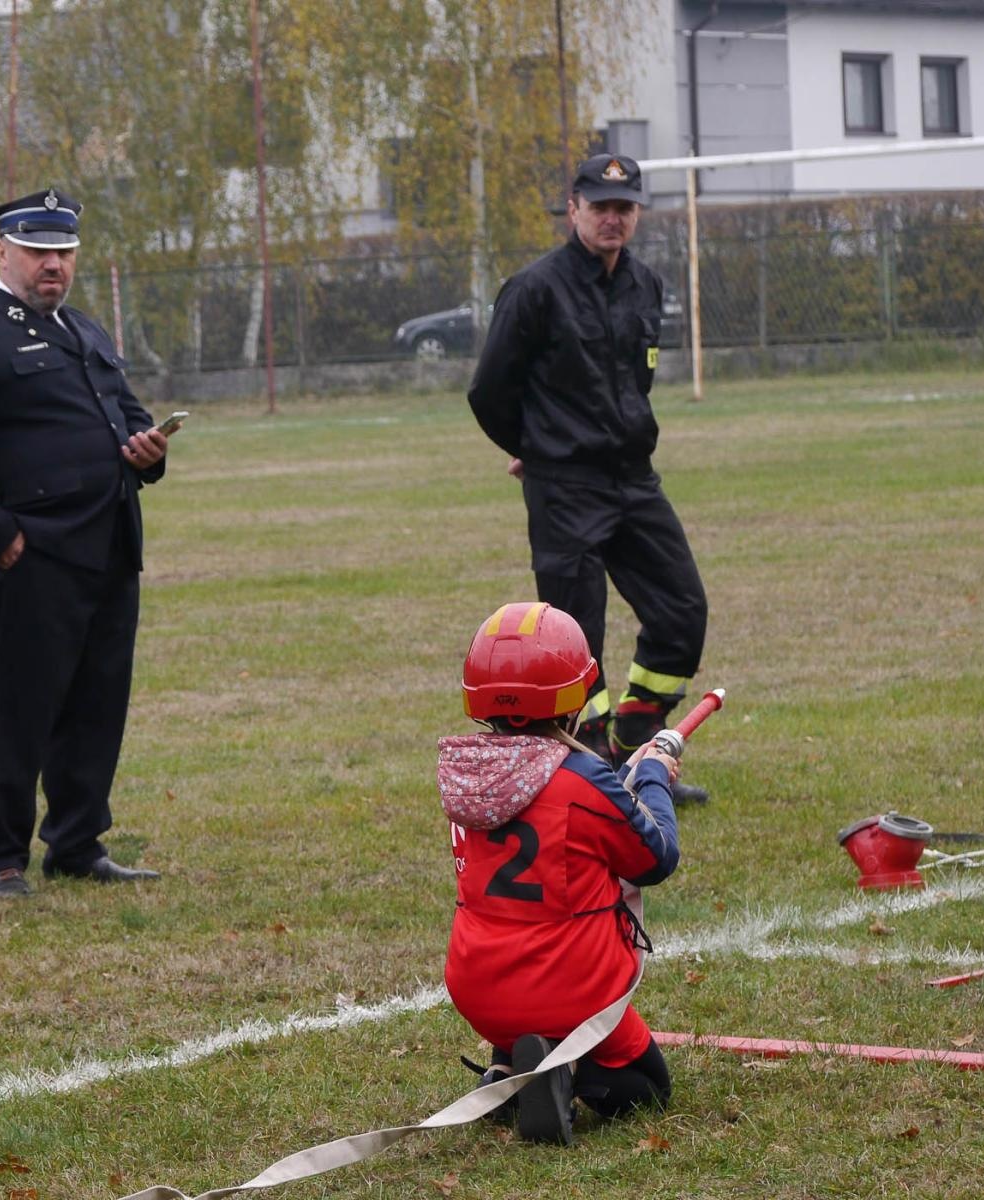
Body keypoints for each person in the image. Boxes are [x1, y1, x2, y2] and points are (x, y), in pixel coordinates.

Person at [0, 187, 169, 898]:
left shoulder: (88, 332)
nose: (53, 265)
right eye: (38, 251)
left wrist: (149, 449)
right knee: (25, 709)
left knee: (98, 704)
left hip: (109, 545)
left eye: (63, 253)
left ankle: (77, 840)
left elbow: (129, 418)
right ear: (2, 252)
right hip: (36, 552)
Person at [467, 153, 710, 806]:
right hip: (564, 484)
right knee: (577, 636)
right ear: (573, 208)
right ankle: (594, 772)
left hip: (633, 478)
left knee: (682, 611)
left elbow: (639, 378)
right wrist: (531, 447)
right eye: (599, 205)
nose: (612, 218)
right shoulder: (534, 288)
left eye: (623, 207)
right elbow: (489, 390)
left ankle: (637, 746)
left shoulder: (646, 284)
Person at [440, 601, 681, 1145]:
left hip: (478, 987)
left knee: (519, 940)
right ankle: (562, 1075)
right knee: (647, 1088)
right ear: (573, 697)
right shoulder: (584, 780)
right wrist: (654, 779)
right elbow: (655, 857)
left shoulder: (465, 776)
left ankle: (509, 1068)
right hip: (572, 990)